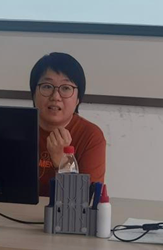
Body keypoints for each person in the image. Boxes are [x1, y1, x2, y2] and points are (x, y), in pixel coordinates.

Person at [29, 52, 106, 196]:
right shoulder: (15, 129)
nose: (55, 97)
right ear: (33, 94)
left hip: (67, 211)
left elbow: (87, 199)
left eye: (65, 88)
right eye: (47, 86)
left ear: (78, 99)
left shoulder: (91, 136)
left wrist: (63, 161)